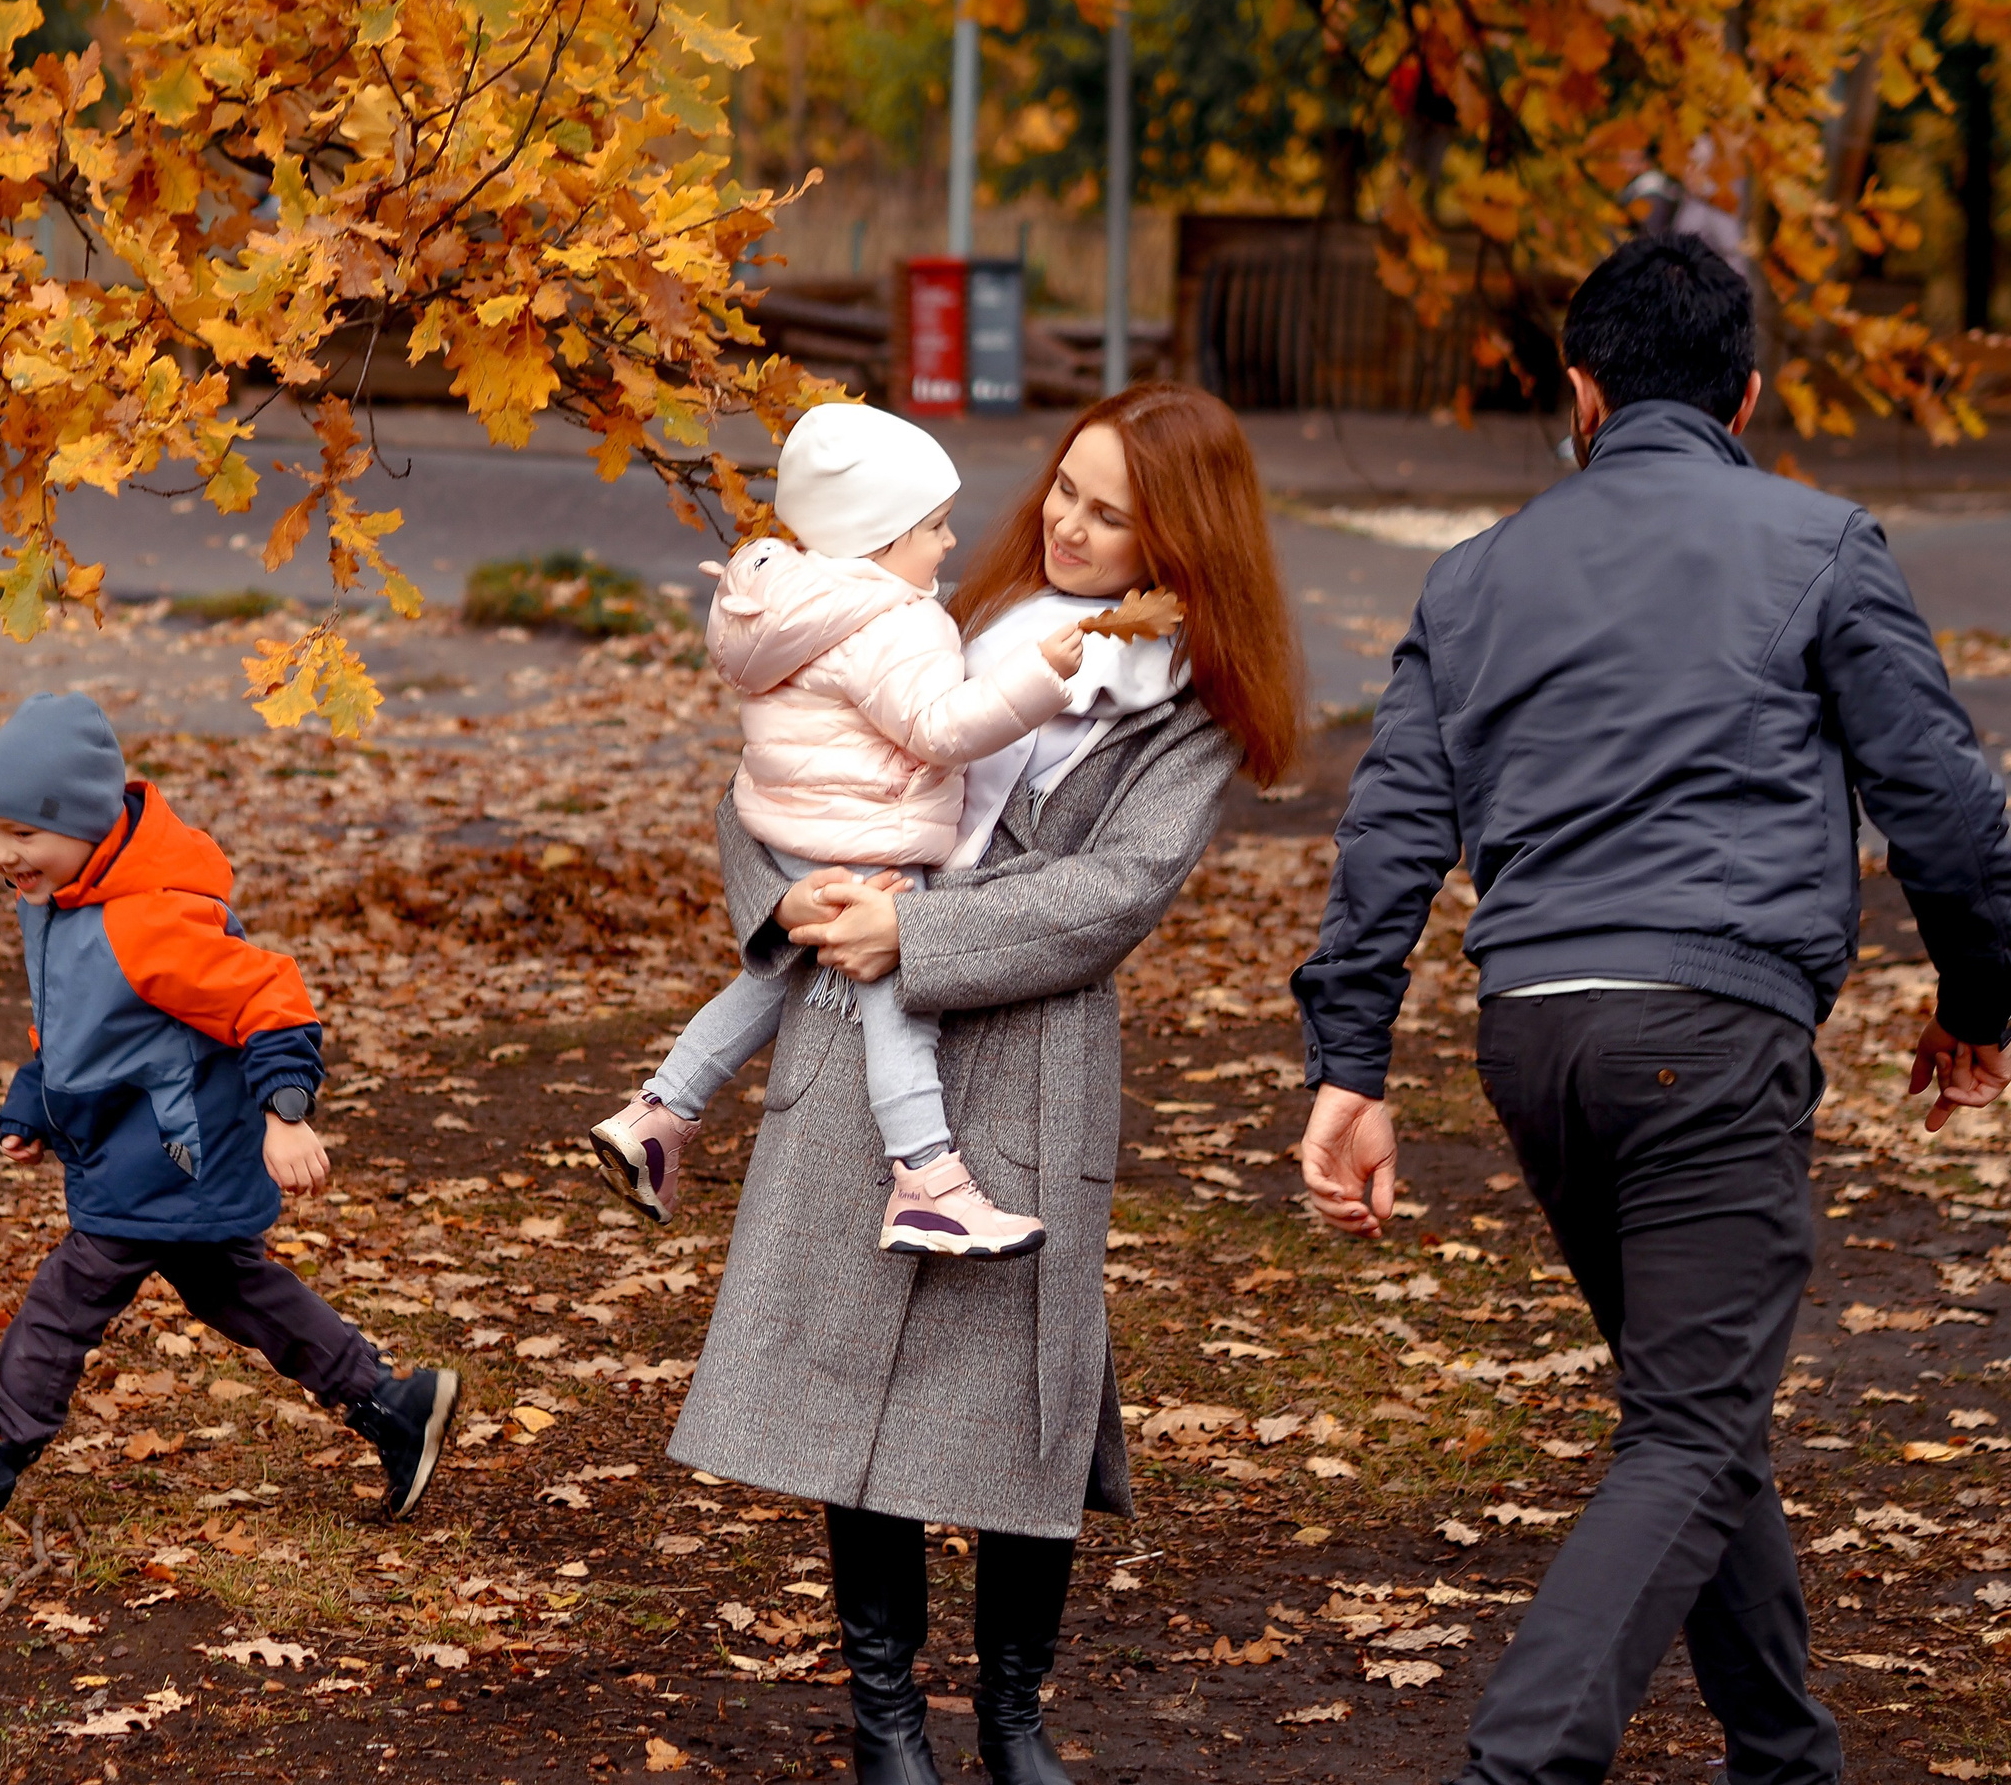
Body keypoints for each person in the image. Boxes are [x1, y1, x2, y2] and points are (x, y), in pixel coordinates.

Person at [1290, 233, 2011, 1785]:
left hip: (1535, 1038)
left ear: (1582, 394)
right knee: (1686, 1430)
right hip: (1710, 1032)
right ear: (1745, 395)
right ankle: (1523, 1766)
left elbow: (1391, 829)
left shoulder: (1472, 574)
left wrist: (1349, 1061)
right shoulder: (1820, 542)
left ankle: (1784, 1754)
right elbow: (1946, 807)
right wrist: (1979, 999)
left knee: (1696, 1410)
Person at [668, 386, 1303, 1785]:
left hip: (1028, 1053)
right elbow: (777, 780)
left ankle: (1014, 1720)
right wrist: (791, 905)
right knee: (853, 1389)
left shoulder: (1186, 699)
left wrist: (928, 932)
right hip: (856, 1027)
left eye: (1109, 512)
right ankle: (885, 1721)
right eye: (1063, 492)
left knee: (1029, 1399)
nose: (1067, 526)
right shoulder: (936, 617)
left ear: (1180, 538)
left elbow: (1119, 886)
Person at [0, 692, 459, 1526]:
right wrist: (33, 1103)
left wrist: (285, 1114)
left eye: (22, 834)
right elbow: (75, 1027)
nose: (3, 856)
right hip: (151, 1155)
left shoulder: (148, 919)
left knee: (65, 1301)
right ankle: (393, 1403)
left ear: (85, 822)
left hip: (169, 1156)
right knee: (233, 1289)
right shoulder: (58, 903)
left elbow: (272, 997)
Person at [590, 401, 1092, 1259]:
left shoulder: (783, 599)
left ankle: (660, 1111)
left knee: (781, 975)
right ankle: (929, 1181)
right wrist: (1038, 683)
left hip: (791, 826)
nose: (946, 544)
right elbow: (937, 729)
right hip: (864, 833)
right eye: (932, 527)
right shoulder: (894, 622)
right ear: (881, 539)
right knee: (900, 999)